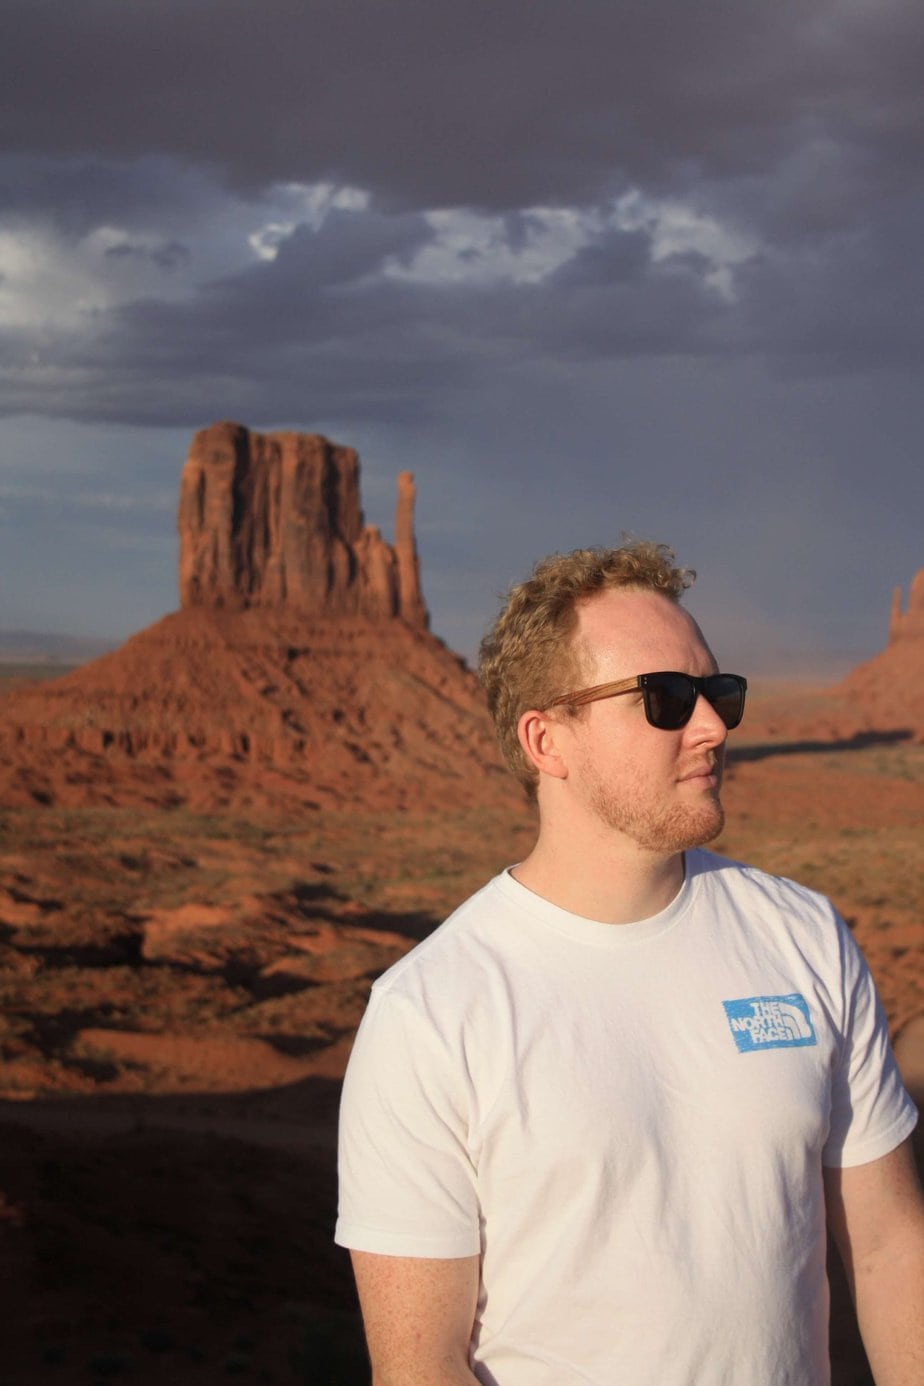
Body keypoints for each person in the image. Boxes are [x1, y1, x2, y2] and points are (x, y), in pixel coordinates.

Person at [335, 542, 923, 1385]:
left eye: (719, 693)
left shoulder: (804, 937)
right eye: (667, 700)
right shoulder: (431, 1013)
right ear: (546, 741)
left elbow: (891, 1248)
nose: (714, 726)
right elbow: (421, 1368)